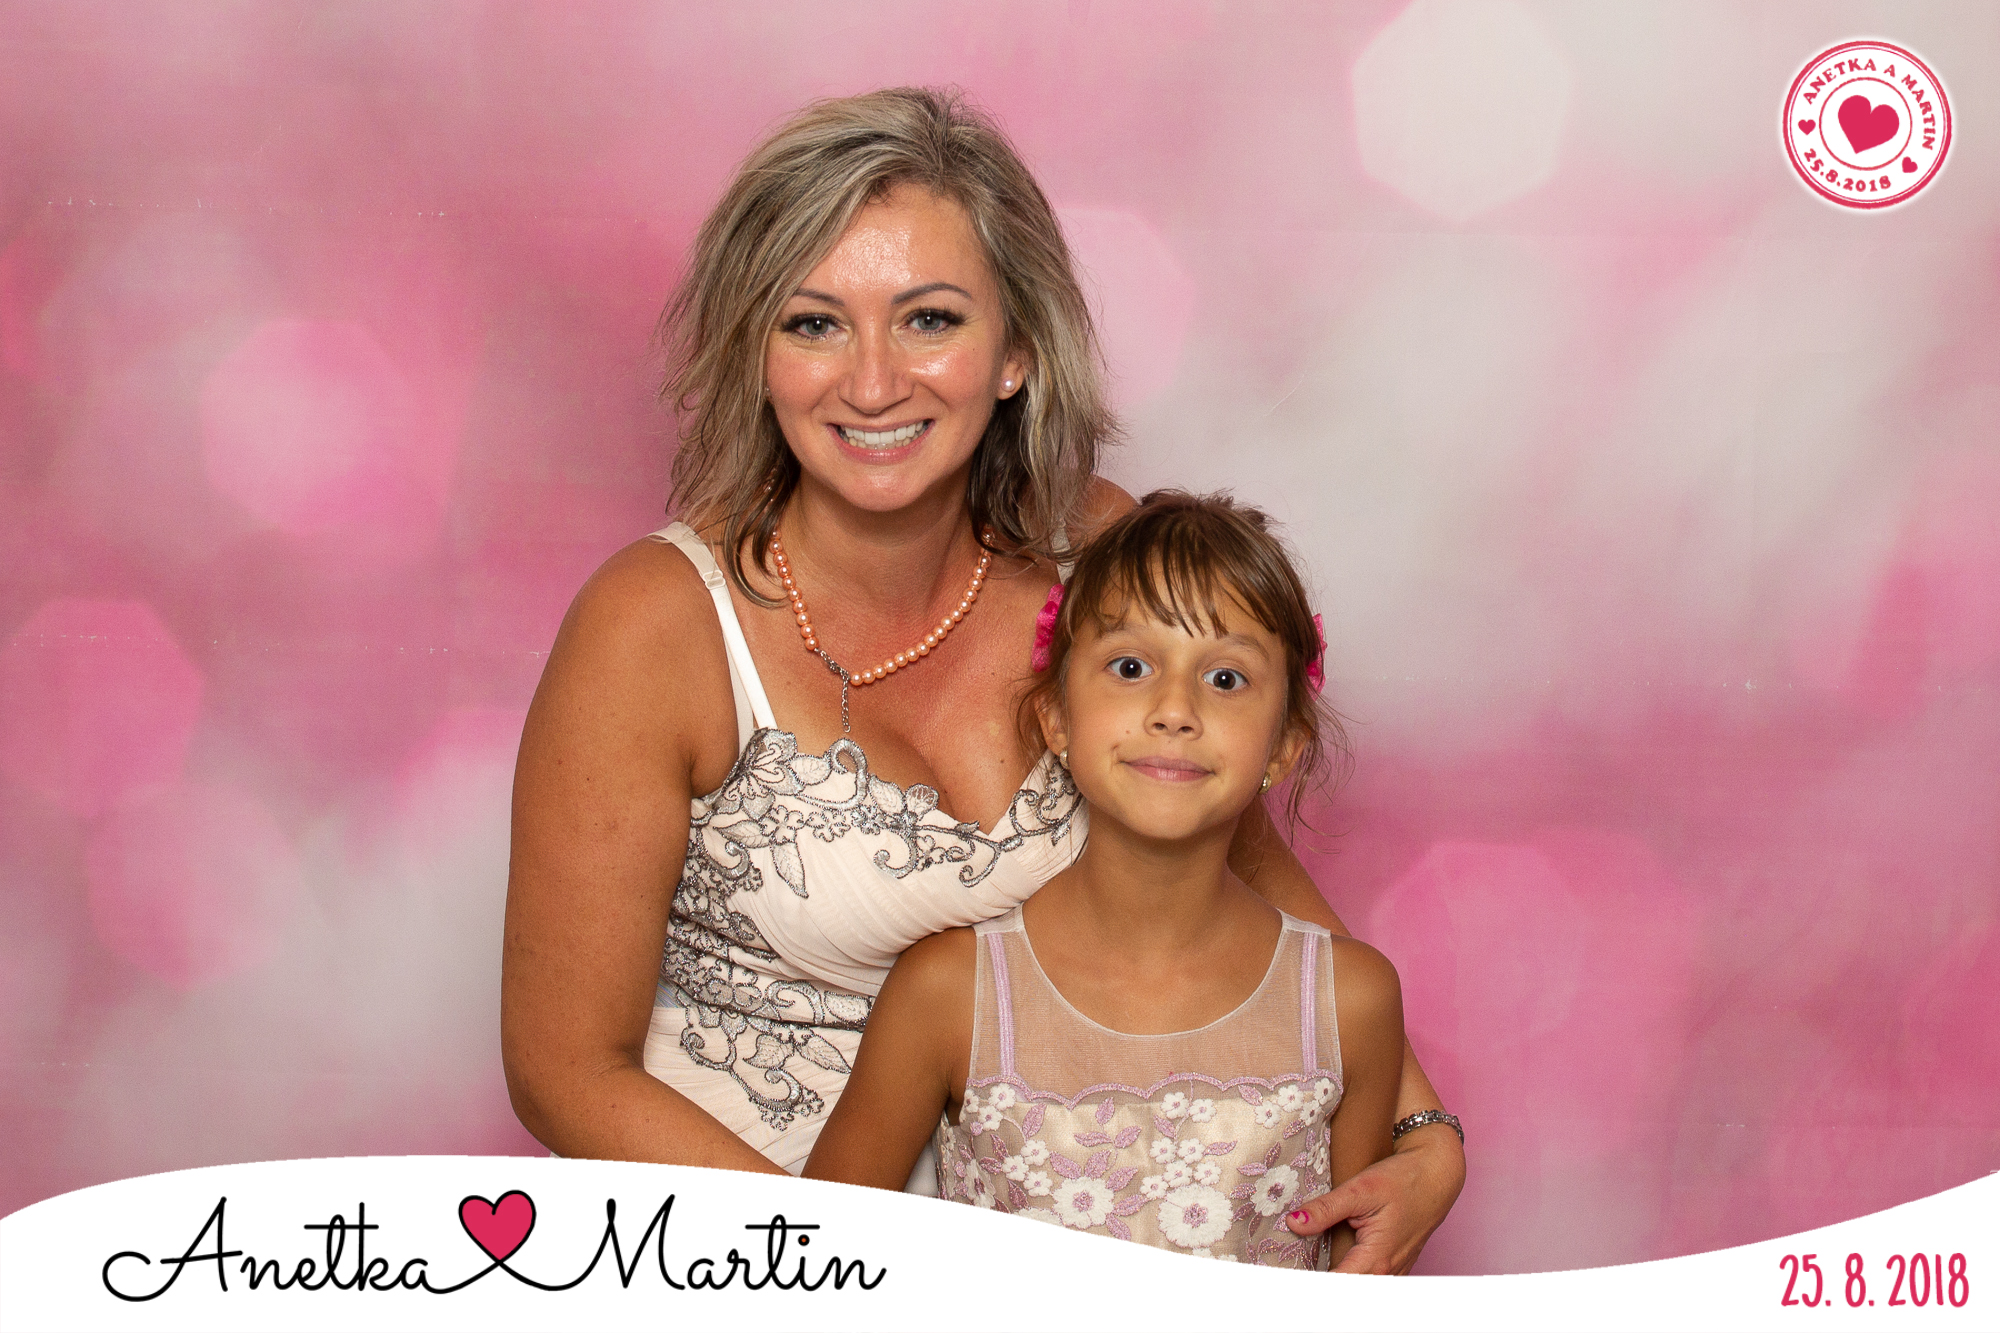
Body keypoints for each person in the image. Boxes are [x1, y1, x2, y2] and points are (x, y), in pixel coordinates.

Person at [500, 85, 1463, 1272]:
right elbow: (564, 1069)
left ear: (1014, 351)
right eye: (813, 323)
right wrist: (849, 1273)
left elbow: (1253, 880)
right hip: (757, 1255)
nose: (871, 382)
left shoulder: (1099, 552)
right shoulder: (652, 624)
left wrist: (1420, 1132)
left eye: (928, 319)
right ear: (755, 352)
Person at [805, 492, 1404, 1268]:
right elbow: (818, 1266)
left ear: (1284, 745)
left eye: (1226, 678)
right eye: (1130, 667)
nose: (1174, 709)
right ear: (1056, 717)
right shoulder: (948, 994)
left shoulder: (1350, 1001)